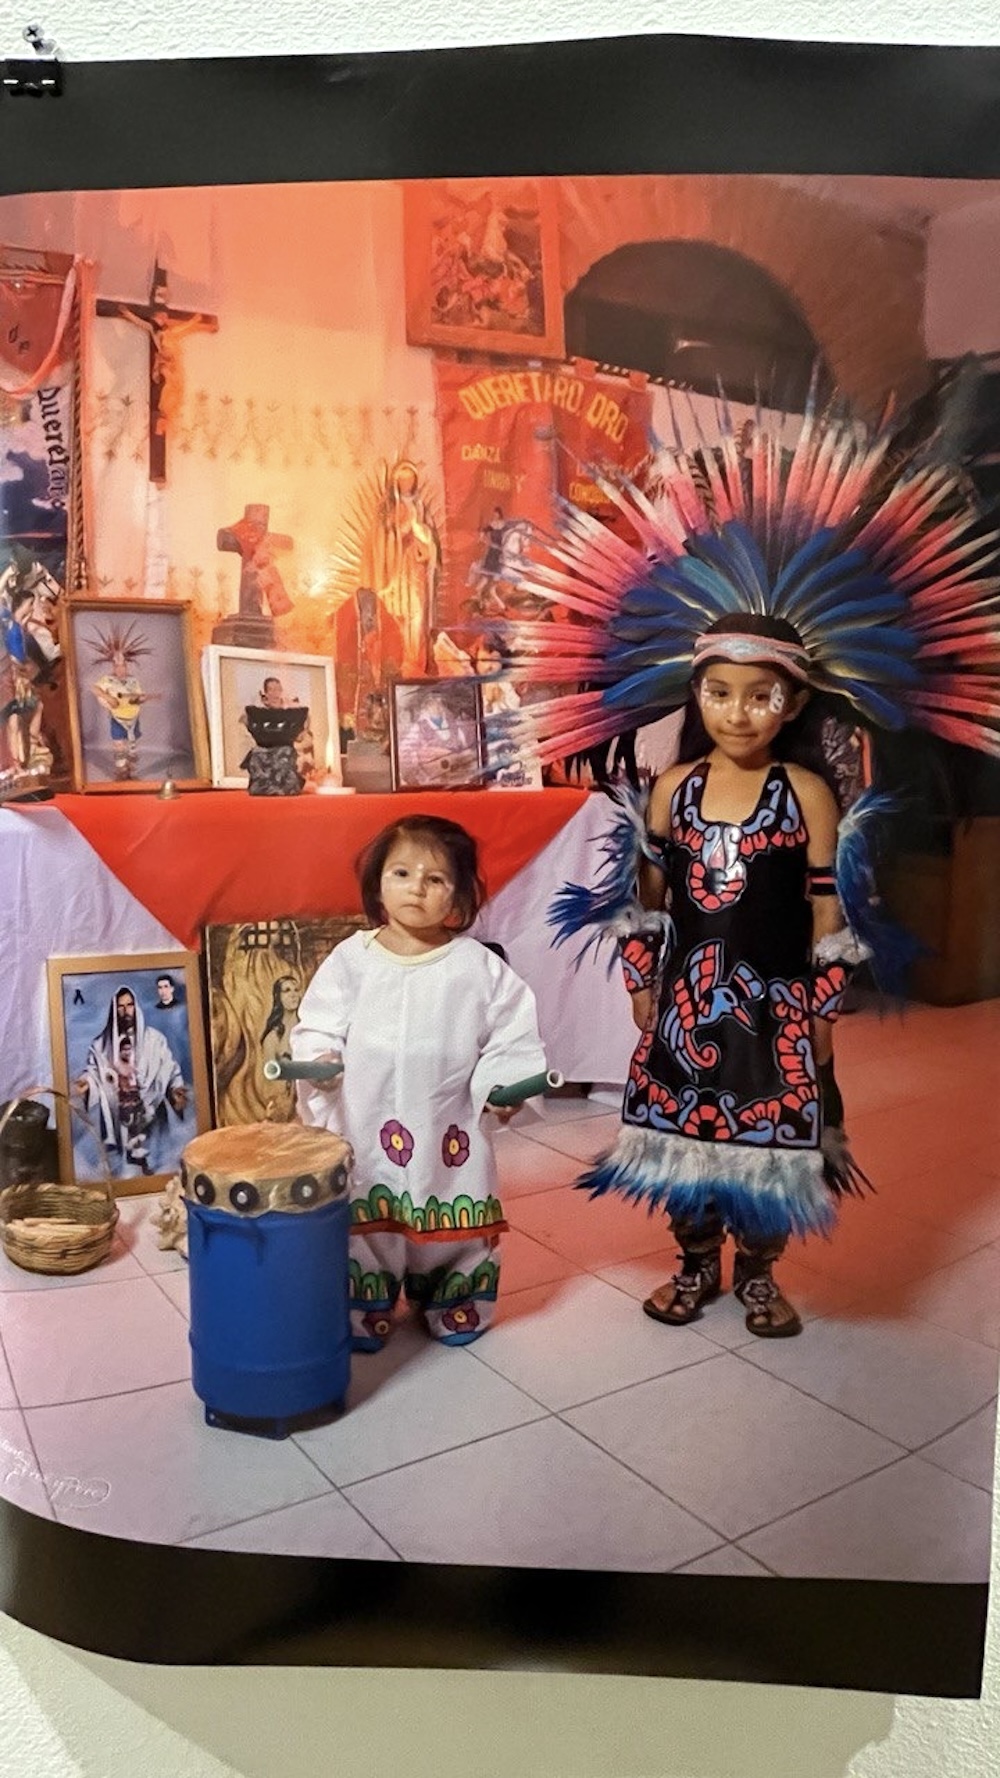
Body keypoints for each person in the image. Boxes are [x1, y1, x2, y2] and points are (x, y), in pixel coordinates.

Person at [590, 613, 863, 1336]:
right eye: (719, 693)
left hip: (776, 1012)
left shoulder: (806, 793)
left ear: (793, 704)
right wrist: (642, 985)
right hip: (683, 1008)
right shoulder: (672, 790)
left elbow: (828, 913)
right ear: (697, 694)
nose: (737, 713)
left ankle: (759, 1273)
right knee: (683, 1147)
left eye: (759, 696)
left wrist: (823, 1011)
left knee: (770, 1150)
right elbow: (646, 902)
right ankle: (695, 1263)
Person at [291, 814, 545, 1350]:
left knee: (452, 1202)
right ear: (377, 884)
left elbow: (511, 1037)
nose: (416, 889)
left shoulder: (477, 967)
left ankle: (455, 1299)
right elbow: (317, 1023)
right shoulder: (351, 959)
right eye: (402, 873)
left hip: (446, 1122)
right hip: (367, 1116)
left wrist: (505, 1085)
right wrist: (320, 1057)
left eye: (435, 879)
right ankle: (366, 1306)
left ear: (459, 894)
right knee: (367, 1213)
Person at [74, 985, 188, 1176]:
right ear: (114, 1010)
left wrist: (175, 1089)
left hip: (151, 1110)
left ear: (136, 1007)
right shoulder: (101, 1045)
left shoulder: (155, 1040)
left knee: (155, 1162)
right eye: (120, 1006)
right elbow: (94, 1073)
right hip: (120, 1111)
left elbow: (170, 1069)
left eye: (129, 1005)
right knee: (123, 1166)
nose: (125, 1010)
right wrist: (87, 1084)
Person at [396, 685, 478, 786]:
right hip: (431, 780)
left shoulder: (454, 724)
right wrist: (419, 760)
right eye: (434, 703)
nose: (439, 706)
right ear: (426, 706)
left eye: (440, 702)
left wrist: (459, 756)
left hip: (456, 777)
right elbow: (404, 752)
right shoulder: (420, 727)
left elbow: (467, 747)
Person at [260, 974, 303, 1077]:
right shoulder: (272, 1038)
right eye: (287, 990)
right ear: (278, 997)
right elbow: (271, 1077)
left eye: (296, 990)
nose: (293, 995)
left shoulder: (307, 1028)